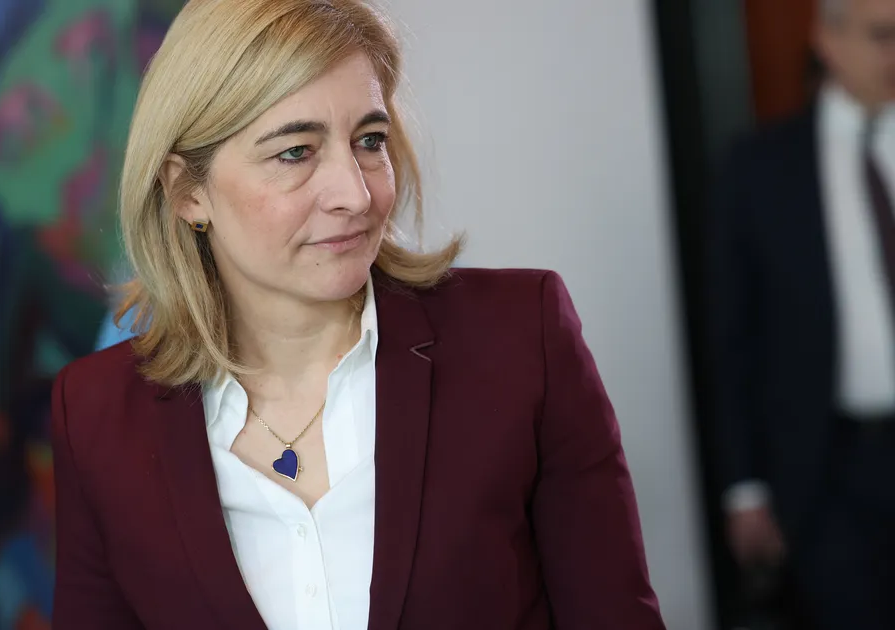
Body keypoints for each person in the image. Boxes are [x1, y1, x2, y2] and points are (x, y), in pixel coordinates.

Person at [50, 0, 666, 628]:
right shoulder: (95, 416)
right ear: (188, 191)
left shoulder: (520, 339)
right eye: (296, 152)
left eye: (370, 141)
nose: (356, 193)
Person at [706, 1, 895, 628]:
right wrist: (744, 488)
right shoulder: (759, 168)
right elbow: (733, 341)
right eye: (883, 36)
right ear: (827, 39)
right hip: (828, 472)